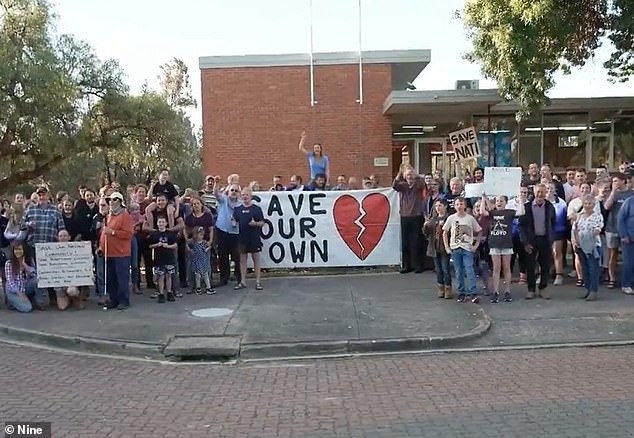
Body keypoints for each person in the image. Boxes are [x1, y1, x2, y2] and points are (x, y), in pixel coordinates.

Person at [481, 192, 526, 303]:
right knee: (496, 269)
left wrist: (520, 200)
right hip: (495, 244)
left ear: (506, 203)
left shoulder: (509, 212)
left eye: (501, 201)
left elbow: (521, 212)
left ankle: (507, 291)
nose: (499, 203)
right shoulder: (492, 212)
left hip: (506, 244)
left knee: (506, 268)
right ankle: (495, 291)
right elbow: (482, 211)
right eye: (497, 201)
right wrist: (483, 198)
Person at [519, 184, 556, 300]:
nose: (540, 194)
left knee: (545, 265)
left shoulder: (550, 207)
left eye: (542, 192)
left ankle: (543, 288)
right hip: (531, 240)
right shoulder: (527, 207)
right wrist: (525, 242)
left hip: (545, 239)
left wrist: (551, 238)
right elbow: (521, 226)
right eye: (538, 192)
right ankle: (531, 289)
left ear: (546, 193)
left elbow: (553, 223)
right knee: (530, 266)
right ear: (534, 193)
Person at [442, 197, 482, 303]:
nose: (459, 206)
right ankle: (461, 292)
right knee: (458, 271)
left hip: (467, 248)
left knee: (469, 269)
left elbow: (479, 231)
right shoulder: (451, 218)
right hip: (455, 248)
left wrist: (476, 245)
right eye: (457, 204)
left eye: (461, 204)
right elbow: (445, 232)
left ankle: (473, 292)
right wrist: (447, 247)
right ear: (455, 206)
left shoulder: (470, 218)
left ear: (465, 206)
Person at [100, 192, 134, 310]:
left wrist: (113, 232)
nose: (111, 202)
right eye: (110, 200)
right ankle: (113, 300)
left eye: (114, 200)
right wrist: (101, 247)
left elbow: (128, 234)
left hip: (121, 253)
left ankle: (124, 301)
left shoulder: (125, 216)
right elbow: (104, 233)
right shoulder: (108, 216)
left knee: (122, 279)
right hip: (108, 253)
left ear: (120, 201)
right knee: (111, 279)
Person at [393, 165, 425, 274]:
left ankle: (418, 265)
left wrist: (415, 174)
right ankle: (407, 266)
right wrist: (400, 173)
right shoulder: (403, 186)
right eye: (407, 175)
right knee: (405, 242)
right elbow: (394, 185)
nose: (410, 177)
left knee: (416, 242)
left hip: (417, 216)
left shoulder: (417, 185)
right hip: (405, 216)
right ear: (405, 177)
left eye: (411, 175)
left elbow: (422, 182)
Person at [604, 173, 634, 289]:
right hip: (612, 227)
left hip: (628, 230)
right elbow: (606, 207)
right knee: (613, 254)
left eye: (616, 181)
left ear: (623, 181)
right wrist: (613, 192)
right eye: (613, 181)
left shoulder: (631, 194)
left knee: (628, 257)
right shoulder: (613, 194)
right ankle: (612, 278)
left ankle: (628, 281)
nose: (614, 183)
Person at [232, 187, 265, 291]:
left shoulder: (256, 209)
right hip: (242, 238)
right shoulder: (238, 209)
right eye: (243, 195)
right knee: (242, 261)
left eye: (246, 195)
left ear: (251, 196)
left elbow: (262, 222)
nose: (245, 197)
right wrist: (233, 222)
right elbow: (234, 220)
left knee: (256, 260)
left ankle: (258, 282)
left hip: (254, 238)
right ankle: (243, 281)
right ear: (241, 197)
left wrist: (255, 223)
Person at [572, 195, 604, 301]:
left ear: (593, 205)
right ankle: (587, 289)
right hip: (580, 245)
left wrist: (589, 237)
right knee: (584, 268)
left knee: (593, 268)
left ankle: (593, 291)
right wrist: (577, 240)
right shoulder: (580, 216)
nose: (587, 206)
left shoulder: (597, 216)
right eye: (585, 203)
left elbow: (597, 230)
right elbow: (575, 228)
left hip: (593, 246)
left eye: (589, 203)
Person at [4, 242, 47, 312]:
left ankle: (40, 303)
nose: (18, 252)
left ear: (24, 250)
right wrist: (19, 293)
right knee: (27, 308)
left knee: (37, 281)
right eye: (16, 250)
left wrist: (25, 265)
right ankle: (12, 302)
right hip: (14, 291)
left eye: (20, 249)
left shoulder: (30, 259)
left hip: (25, 287)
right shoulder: (9, 263)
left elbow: (34, 275)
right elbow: (10, 281)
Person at [214, 178, 242, 287]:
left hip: (235, 233)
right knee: (223, 255)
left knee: (237, 256)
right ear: (228, 192)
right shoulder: (224, 200)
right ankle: (223, 278)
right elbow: (216, 194)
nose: (234, 192)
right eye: (232, 190)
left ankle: (239, 277)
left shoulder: (240, 204)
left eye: (236, 191)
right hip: (222, 231)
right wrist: (217, 183)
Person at [423, 199, 452, 299]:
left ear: (445, 206)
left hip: (444, 247)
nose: (438, 208)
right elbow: (426, 233)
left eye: (440, 205)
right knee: (438, 269)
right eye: (436, 206)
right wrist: (425, 225)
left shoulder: (449, 218)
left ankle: (448, 287)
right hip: (434, 247)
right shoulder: (433, 219)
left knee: (445, 269)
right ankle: (441, 287)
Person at [148, 216, 178, 303]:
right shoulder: (154, 234)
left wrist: (167, 246)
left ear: (166, 223)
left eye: (162, 222)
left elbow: (175, 245)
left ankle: (169, 292)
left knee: (169, 276)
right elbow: (150, 246)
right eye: (159, 222)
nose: (161, 224)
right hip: (159, 259)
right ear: (157, 224)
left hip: (169, 258)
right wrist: (157, 245)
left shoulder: (170, 234)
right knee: (160, 276)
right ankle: (161, 293)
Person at [617, 171, 634, 295]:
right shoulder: (629, 202)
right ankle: (626, 284)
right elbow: (620, 219)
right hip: (629, 238)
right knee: (628, 262)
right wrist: (624, 235)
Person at [187, 226, 214, 294]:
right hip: (196, 261)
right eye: (200, 234)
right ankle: (198, 288)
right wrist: (190, 250)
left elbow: (207, 248)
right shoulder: (194, 243)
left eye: (202, 235)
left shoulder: (204, 242)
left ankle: (208, 287)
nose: (202, 236)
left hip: (203, 261)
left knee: (205, 274)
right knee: (197, 275)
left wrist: (208, 248)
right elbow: (188, 246)